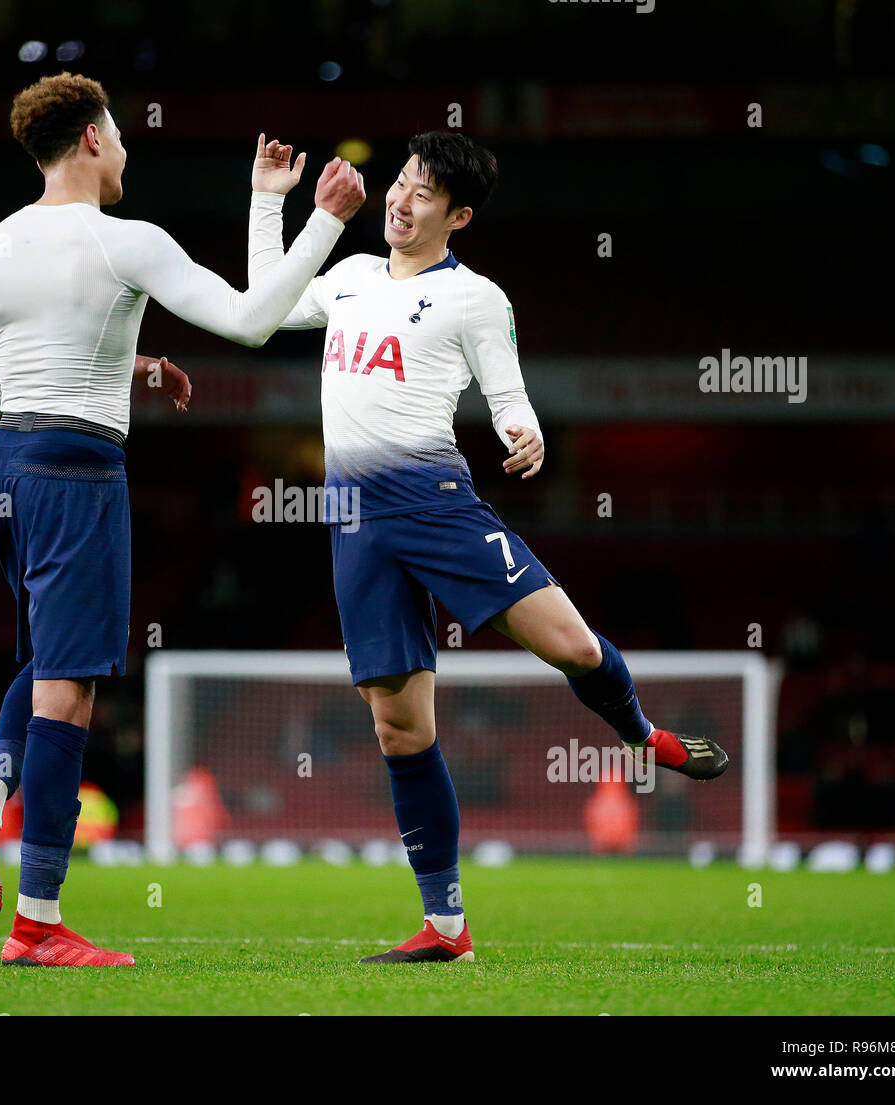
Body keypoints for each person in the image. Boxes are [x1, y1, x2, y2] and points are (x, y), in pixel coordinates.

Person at [256, 131, 728, 964]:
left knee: (574, 646)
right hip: (354, 521)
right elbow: (263, 303)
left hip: (437, 506)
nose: (401, 200)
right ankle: (447, 929)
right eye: (401, 182)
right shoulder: (351, 278)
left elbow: (507, 391)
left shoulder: (475, 297)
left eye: (424, 193)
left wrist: (523, 431)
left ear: (458, 215)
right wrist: (269, 198)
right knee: (400, 731)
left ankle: (643, 735)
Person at [0, 72, 365, 968]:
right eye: (122, 135)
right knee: (73, 686)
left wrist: (129, 368)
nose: (128, 149)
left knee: (45, 665)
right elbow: (254, 322)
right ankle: (38, 923)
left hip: (5, 468)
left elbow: (3, 381)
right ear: (93, 139)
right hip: (77, 475)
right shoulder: (127, 241)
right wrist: (317, 215)